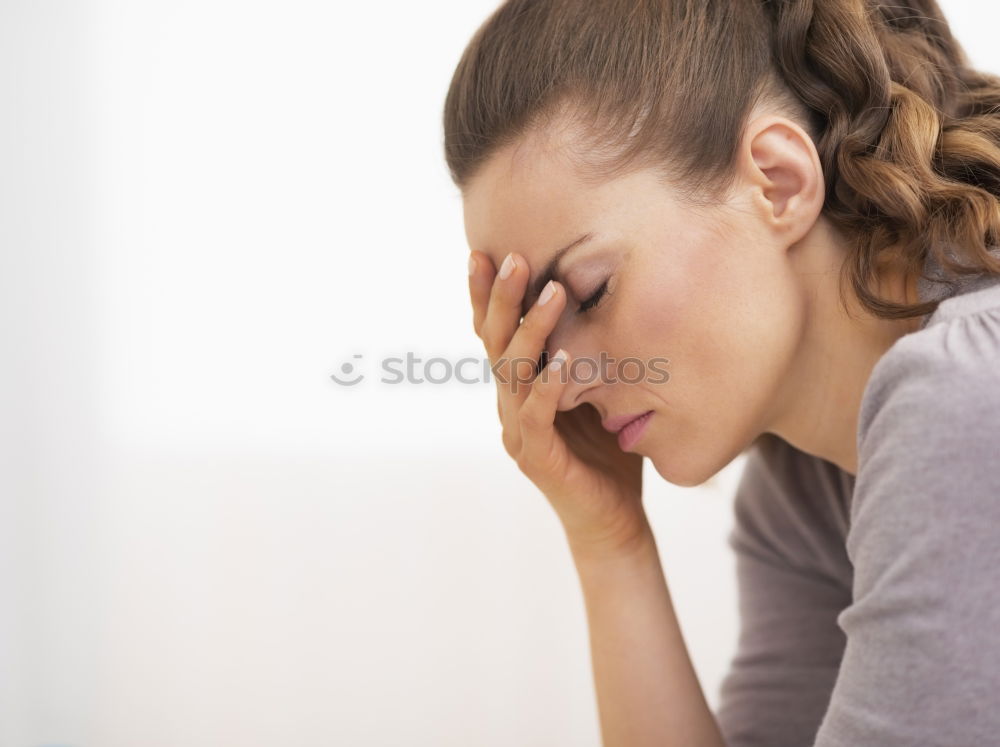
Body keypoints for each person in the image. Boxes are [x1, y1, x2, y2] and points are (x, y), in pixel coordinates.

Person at [443, 1, 1000, 744]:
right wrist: (611, 544)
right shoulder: (804, 490)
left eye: (589, 292)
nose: (561, 381)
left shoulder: (965, 395)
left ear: (778, 182)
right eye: (532, 330)